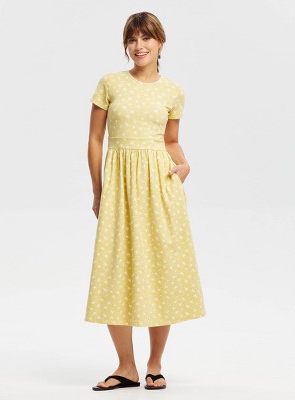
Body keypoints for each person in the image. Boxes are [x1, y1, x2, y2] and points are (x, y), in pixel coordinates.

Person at [85, 11, 206, 391]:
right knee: (115, 269)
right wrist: (98, 190)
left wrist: (185, 164)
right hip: (120, 187)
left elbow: (170, 141)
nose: (139, 46)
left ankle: (154, 364)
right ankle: (126, 367)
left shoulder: (173, 91)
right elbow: (95, 139)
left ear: (160, 42)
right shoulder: (110, 83)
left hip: (160, 187)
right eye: (132, 39)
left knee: (160, 270)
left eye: (146, 38)